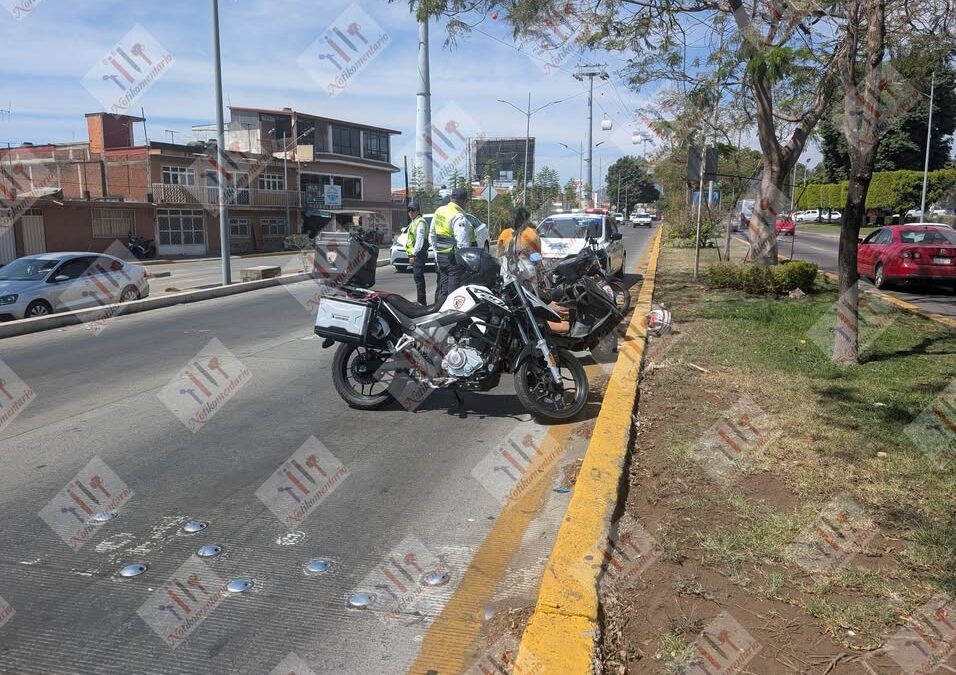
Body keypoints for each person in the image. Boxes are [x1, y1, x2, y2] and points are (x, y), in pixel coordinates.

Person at [430, 187, 475, 304]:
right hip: (453, 260)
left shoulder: (439, 211)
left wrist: (436, 253)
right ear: (462, 201)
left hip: (441, 257)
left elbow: (432, 235)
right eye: (466, 202)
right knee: (454, 293)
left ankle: (440, 315)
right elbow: (463, 244)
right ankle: (453, 319)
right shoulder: (458, 216)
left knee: (443, 290)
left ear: (451, 198)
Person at [404, 201, 431, 305]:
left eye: (413, 210)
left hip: (418, 254)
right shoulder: (414, 222)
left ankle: (421, 302)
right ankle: (421, 301)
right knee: (418, 278)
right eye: (409, 210)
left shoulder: (420, 222)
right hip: (416, 254)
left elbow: (419, 241)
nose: (410, 212)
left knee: (419, 278)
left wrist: (413, 255)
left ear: (418, 211)